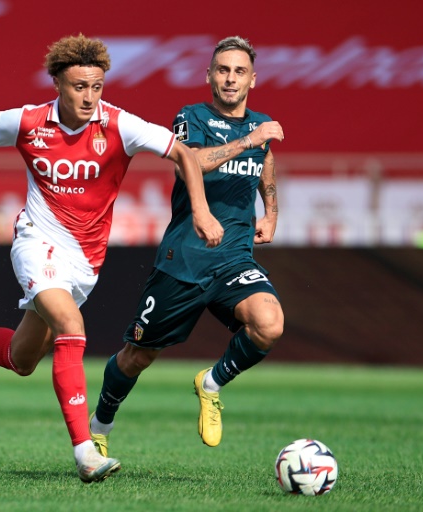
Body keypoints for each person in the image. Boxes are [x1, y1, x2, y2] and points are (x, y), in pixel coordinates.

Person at [0, 34, 223, 483]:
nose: (89, 97)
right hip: (36, 242)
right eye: (79, 87)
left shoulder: (120, 125)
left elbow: (181, 152)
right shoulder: (28, 121)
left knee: (22, 359)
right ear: (57, 84)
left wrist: (200, 210)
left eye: (97, 87)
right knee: (71, 327)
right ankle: (86, 452)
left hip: (85, 261)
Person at [89, 36, 285, 456]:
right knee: (136, 357)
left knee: (269, 323)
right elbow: (189, 163)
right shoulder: (191, 117)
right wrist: (249, 141)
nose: (230, 79)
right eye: (222, 70)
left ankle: (211, 383)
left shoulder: (261, 124)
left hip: (234, 258)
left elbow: (266, 162)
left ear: (253, 78)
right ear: (209, 75)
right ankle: (100, 426)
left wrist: (270, 212)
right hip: (186, 259)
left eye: (239, 71)